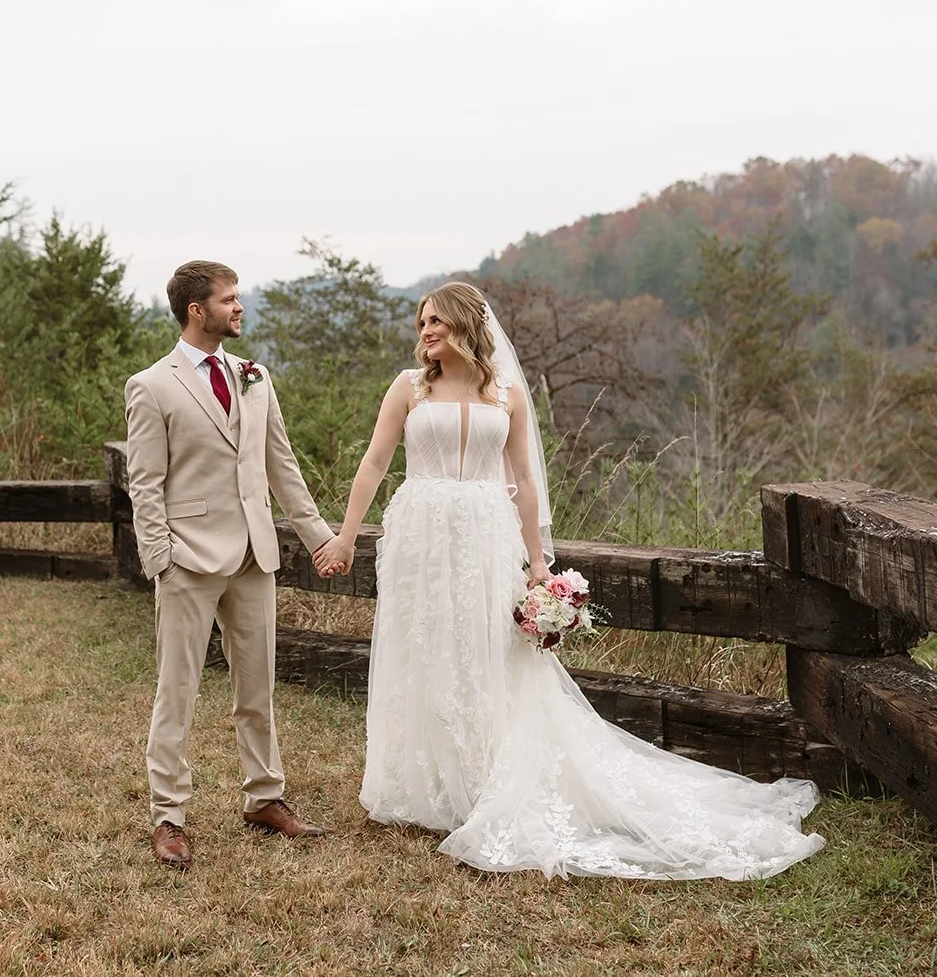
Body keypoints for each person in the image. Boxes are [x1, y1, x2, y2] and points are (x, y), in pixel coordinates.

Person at [317, 281, 825, 879]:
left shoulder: (505, 394)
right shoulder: (408, 387)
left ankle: (484, 778)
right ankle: (424, 786)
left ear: (464, 326)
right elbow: (375, 462)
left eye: (437, 322)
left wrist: (538, 564)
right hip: (420, 536)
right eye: (422, 322)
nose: (426, 331)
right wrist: (347, 535)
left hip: (485, 534)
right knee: (423, 648)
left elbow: (525, 481)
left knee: (488, 654)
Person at [123, 260, 342, 869]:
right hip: (187, 561)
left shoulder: (254, 376)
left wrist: (318, 536)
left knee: (258, 687)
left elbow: (281, 464)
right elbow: (145, 484)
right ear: (198, 310)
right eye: (229, 299)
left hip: (254, 555)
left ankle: (265, 798)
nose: (239, 307)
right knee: (178, 691)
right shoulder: (152, 386)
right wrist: (160, 559)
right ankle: (169, 816)